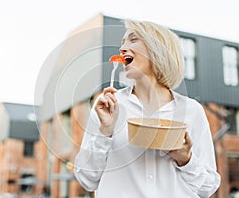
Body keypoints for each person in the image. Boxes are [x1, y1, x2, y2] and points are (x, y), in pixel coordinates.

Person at [74, 19, 221, 198]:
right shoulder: (107, 107)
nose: (122, 48)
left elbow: (207, 188)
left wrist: (185, 160)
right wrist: (105, 132)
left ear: (157, 49)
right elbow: (87, 180)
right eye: (122, 43)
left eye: (133, 40)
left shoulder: (191, 111)